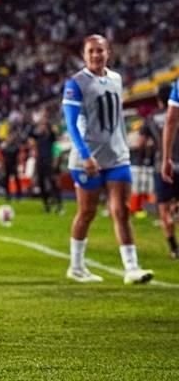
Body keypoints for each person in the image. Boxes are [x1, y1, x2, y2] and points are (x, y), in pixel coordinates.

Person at [62, 34, 153, 284]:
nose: (95, 55)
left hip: (117, 157)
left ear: (108, 52)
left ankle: (132, 268)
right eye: (91, 51)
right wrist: (84, 154)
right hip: (87, 159)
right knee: (87, 212)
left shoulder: (116, 79)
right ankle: (77, 266)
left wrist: (123, 146)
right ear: (84, 54)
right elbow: (70, 123)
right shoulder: (76, 83)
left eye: (99, 50)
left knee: (122, 210)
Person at [152, 83, 179, 258]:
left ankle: (173, 248)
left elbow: (141, 141)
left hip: (163, 163)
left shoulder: (151, 118)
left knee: (163, 207)